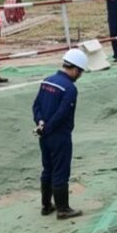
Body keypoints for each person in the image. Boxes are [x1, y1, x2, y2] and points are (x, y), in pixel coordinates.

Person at [32, 49, 88, 220]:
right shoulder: (69, 88)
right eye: (80, 72)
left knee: (47, 168)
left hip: (43, 134)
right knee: (60, 170)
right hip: (59, 135)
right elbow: (62, 113)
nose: (79, 76)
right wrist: (49, 127)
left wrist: (40, 123)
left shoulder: (47, 80)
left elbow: (36, 106)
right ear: (75, 69)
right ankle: (63, 209)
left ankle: (46, 205)